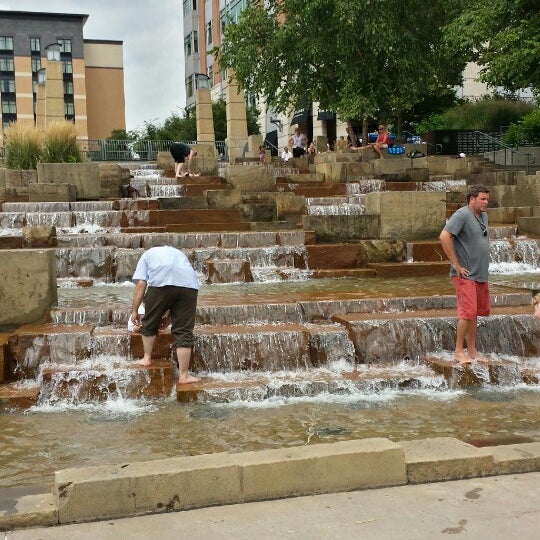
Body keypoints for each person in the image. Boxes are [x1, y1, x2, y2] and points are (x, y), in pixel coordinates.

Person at [131, 245, 200, 384]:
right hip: (189, 286)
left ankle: (147, 358)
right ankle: (184, 375)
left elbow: (141, 284)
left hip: (161, 283)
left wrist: (135, 310)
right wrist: (169, 317)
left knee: (150, 321)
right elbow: (177, 289)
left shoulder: (147, 255)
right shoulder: (179, 253)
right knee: (184, 331)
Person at [439, 185, 491, 364]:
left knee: (474, 313)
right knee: (467, 313)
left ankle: (472, 350)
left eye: (487, 199)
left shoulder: (484, 216)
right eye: (482, 199)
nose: (486, 202)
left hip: (480, 273)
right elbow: (444, 236)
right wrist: (456, 264)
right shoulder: (461, 215)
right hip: (465, 274)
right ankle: (458, 351)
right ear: (472, 199)